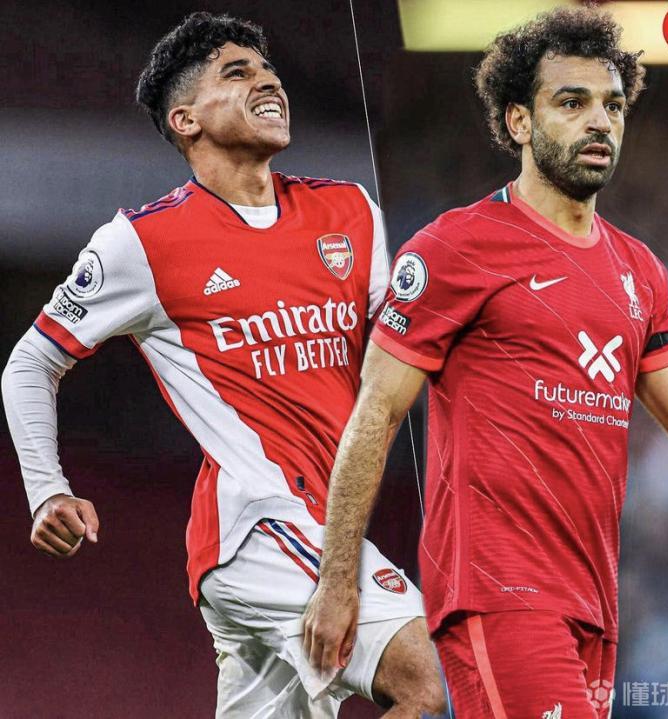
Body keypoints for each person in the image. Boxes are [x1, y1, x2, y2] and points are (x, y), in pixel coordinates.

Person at [1, 12, 446, 719]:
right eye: (237, 74)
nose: (268, 82)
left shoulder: (350, 212)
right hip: (259, 521)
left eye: (269, 71)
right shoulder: (141, 242)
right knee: (425, 683)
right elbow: (30, 361)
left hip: (323, 523)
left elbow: (402, 352)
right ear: (186, 120)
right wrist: (47, 489)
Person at [302, 7, 668, 718]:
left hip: (592, 603)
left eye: (613, 105)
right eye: (572, 102)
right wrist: (337, 580)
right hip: (497, 592)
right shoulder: (455, 248)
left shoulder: (639, 271)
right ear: (519, 121)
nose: (600, 121)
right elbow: (377, 409)